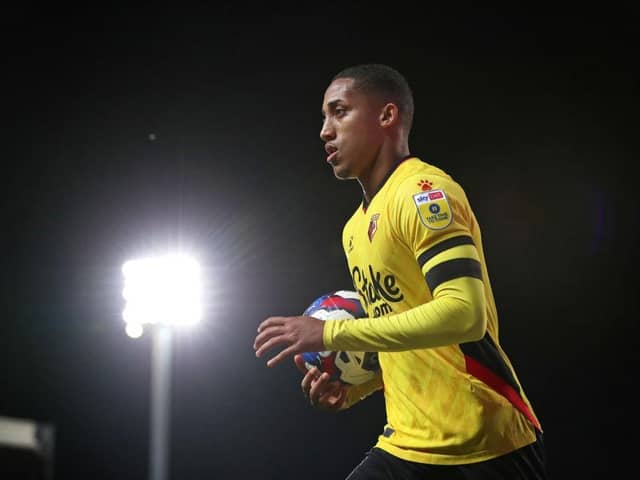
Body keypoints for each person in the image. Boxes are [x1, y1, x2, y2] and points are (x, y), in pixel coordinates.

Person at [253, 63, 548, 479]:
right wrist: (355, 388)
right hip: (407, 444)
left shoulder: (425, 194)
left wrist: (329, 333)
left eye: (339, 112)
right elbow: (410, 337)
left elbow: (464, 314)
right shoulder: (354, 229)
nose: (325, 130)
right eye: (324, 117)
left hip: (485, 445)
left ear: (387, 116)